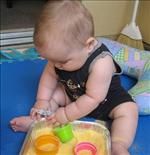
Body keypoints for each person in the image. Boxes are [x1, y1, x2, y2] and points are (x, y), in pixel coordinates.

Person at [10, 0, 138, 154]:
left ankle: (119, 144)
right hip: (73, 94)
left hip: (107, 101)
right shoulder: (59, 60)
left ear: (89, 45)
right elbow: (48, 77)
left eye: (62, 61)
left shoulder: (101, 63)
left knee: (129, 110)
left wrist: (66, 114)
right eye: (51, 60)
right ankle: (37, 122)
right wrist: (42, 101)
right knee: (55, 96)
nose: (56, 66)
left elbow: (93, 98)